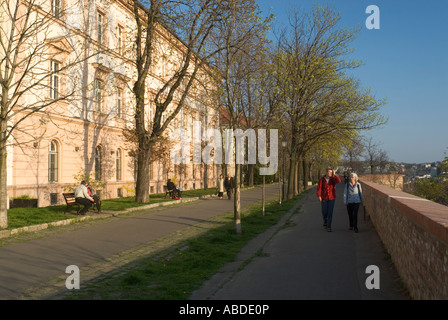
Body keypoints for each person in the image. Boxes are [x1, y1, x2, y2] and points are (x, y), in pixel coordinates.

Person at [316, 167, 341, 232]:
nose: (330, 173)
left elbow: (339, 181)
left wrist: (335, 174)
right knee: (325, 212)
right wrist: (319, 196)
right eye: (329, 172)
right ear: (326, 172)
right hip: (324, 198)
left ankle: (329, 226)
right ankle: (325, 221)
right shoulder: (322, 180)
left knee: (330, 212)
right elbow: (319, 188)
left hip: (332, 198)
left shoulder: (333, 179)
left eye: (331, 172)